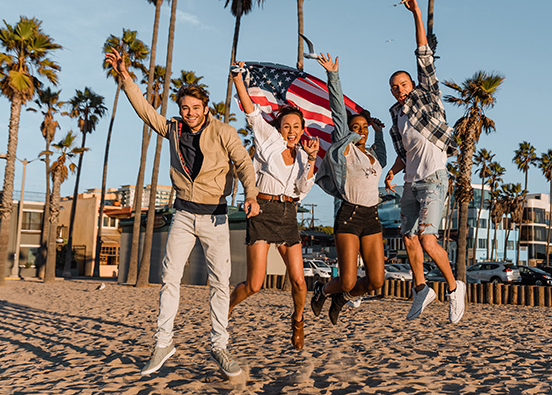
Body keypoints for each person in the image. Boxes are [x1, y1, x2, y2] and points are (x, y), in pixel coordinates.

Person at [105, 48, 260, 378]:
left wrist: (251, 193)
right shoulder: (173, 128)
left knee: (220, 284)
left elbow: (245, 165)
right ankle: (163, 343)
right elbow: (146, 112)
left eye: (195, 108)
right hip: (183, 217)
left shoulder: (224, 132)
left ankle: (219, 346)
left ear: (206, 108)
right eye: (184, 108)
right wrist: (126, 76)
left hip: (216, 218)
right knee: (169, 278)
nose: (189, 113)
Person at [384, 0, 466, 324]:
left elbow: (423, 54)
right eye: (395, 86)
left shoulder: (427, 97)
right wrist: (391, 171)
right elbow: (405, 154)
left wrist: (416, 12)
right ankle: (421, 289)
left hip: (434, 179)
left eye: (403, 84)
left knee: (428, 240)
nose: (400, 89)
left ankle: (454, 287)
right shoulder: (396, 116)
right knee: (408, 237)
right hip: (410, 182)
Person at [228, 62, 319, 350]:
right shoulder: (268, 140)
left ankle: (298, 321)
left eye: (296, 127)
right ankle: (227, 307)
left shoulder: (305, 155)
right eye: (286, 126)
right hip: (263, 212)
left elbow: (302, 190)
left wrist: (313, 161)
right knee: (254, 284)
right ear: (279, 128)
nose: (291, 131)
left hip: (288, 215)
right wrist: (237, 81)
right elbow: (251, 112)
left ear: (302, 129)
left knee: (299, 282)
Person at [312, 52, 387, 325]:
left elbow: (383, 155)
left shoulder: (373, 157)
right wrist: (333, 75)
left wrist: (377, 132)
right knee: (347, 279)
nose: (361, 131)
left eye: (363, 127)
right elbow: (337, 111)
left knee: (376, 280)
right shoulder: (345, 151)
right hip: (350, 215)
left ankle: (342, 299)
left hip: (372, 217)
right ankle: (322, 290)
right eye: (357, 127)